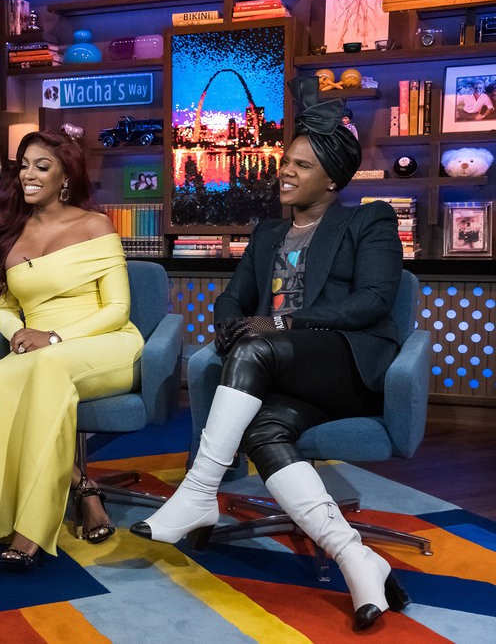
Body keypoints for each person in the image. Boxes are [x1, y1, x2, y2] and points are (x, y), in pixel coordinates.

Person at [131, 77, 410, 631]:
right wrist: (232, 325)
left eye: (301, 166)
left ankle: (199, 490)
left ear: (332, 178)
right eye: (286, 160)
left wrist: (277, 322)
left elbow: (373, 303)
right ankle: (358, 561)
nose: (284, 170)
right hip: (278, 371)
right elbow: (231, 299)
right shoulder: (265, 234)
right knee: (263, 433)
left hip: (344, 366)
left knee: (258, 346)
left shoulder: (367, 220)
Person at [0, 131, 144, 569]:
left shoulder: (94, 225)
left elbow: (117, 309)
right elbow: (3, 305)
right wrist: (17, 332)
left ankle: (31, 532)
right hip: (38, 351)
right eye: (24, 165)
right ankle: (83, 490)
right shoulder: (8, 233)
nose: (28, 175)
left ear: (65, 175)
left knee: (48, 366)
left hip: (104, 343)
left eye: (41, 166)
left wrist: (52, 338)